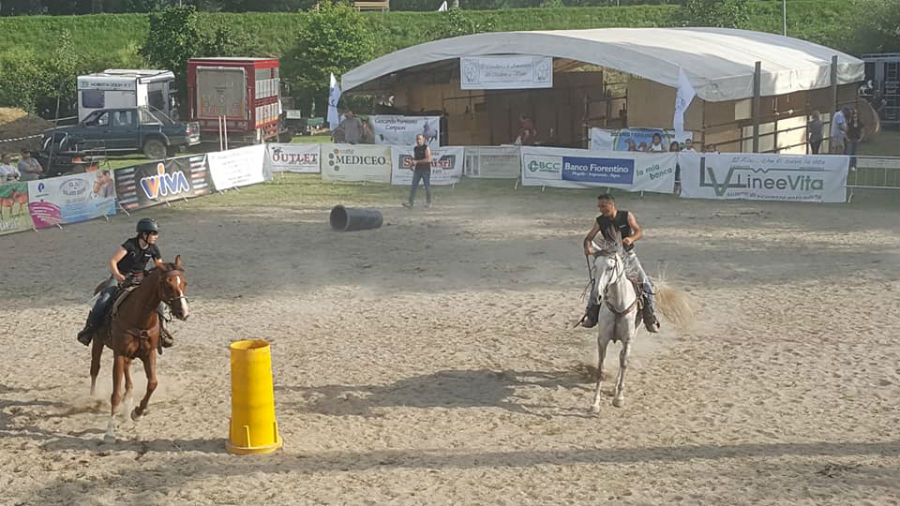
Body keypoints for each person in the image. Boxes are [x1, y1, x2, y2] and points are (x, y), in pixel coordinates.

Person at [76, 218, 175, 349]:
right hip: (121, 276)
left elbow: (159, 267)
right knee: (104, 299)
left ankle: (162, 332)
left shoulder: (153, 249)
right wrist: (117, 275)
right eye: (153, 233)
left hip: (140, 278)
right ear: (144, 234)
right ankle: (89, 330)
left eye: (156, 233)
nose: (156, 236)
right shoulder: (130, 245)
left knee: (159, 302)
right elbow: (113, 261)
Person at [580, 194, 660, 333]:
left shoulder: (626, 216)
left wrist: (631, 238)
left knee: (646, 284)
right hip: (610, 257)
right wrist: (588, 247)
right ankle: (591, 314)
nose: (601, 209)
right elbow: (589, 238)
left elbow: (639, 231)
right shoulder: (600, 221)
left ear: (612, 205)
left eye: (603, 206)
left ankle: (650, 317)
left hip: (628, 256)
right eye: (599, 206)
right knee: (597, 284)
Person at [402, 134, 432, 209]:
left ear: (423, 140)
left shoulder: (426, 148)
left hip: (425, 170)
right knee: (413, 186)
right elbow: (415, 158)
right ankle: (410, 203)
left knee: (427, 187)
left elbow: (428, 159)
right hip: (417, 170)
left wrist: (417, 162)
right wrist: (411, 164)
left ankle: (429, 202)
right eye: (417, 139)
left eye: (420, 139)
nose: (418, 141)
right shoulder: (415, 148)